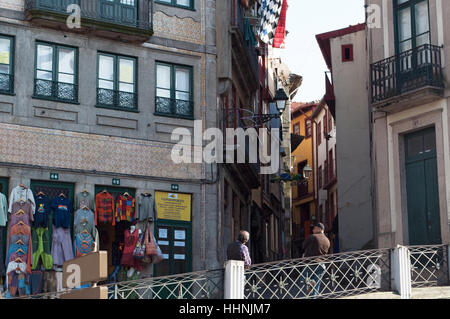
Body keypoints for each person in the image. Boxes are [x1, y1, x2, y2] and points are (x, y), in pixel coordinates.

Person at [301, 223, 330, 297]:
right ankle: (313, 297)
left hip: (311, 262)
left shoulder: (313, 237)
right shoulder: (327, 240)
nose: (313, 229)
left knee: (303, 278)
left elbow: (303, 246)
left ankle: (311, 282)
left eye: (315, 228)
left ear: (320, 229)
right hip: (322, 264)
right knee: (317, 285)